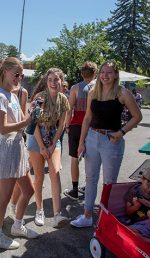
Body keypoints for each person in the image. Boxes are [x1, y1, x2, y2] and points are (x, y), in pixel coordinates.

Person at [71, 61, 142, 228]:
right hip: (92, 137)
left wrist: (121, 132)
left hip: (112, 140)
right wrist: (81, 142)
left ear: (116, 74)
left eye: (109, 72)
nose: (105, 75)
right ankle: (87, 215)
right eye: (102, 72)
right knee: (90, 179)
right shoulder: (92, 92)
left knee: (109, 182)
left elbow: (137, 116)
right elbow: (87, 118)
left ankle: (104, 218)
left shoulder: (122, 93)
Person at [0, 57, 38, 250]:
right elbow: (4, 128)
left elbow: (23, 119)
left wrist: (33, 114)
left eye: (21, 75)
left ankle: (17, 226)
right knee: (4, 197)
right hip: (8, 147)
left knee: (29, 191)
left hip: (17, 147)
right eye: (16, 74)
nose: (19, 77)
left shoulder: (12, 95)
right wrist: (26, 122)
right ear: (4, 71)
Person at [27, 68, 70, 228]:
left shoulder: (64, 99)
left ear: (61, 81)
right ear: (47, 82)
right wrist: (42, 147)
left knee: (55, 173)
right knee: (39, 177)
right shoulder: (40, 98)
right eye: (50, 79)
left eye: (56, 80)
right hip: (36, 137)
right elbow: (34, 124)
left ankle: (57, 214)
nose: (53, 83)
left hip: (53, 137)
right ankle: (39, 210)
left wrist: (52, 145)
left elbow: (62, 125)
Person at [63, 61, 97, 200]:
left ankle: (75, 190)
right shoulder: (100, 87)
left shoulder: (76, 87)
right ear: (95, 72)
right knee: (92, 159)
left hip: (76, 126)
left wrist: (66, 125)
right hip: (94, 127)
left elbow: (69, 109)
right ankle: (89, 187)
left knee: (74, 159)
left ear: (81, 73)